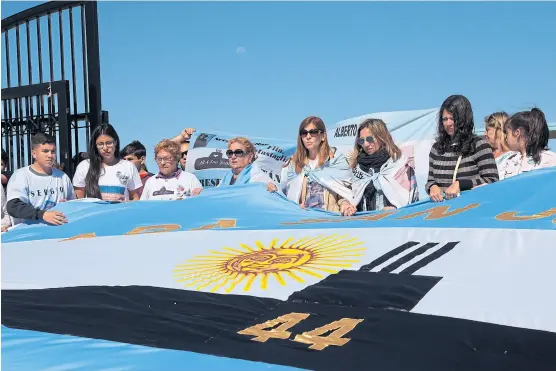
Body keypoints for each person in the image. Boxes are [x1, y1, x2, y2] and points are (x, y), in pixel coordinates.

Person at [426, 95, 499, 202]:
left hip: (470, 209)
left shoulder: (479, 145)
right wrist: (432, 187)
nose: (448, 123)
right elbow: (430, 180)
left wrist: (461, 184)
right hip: (442, 213)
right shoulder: (436, 149)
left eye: (453, 118)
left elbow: (492, 180)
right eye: (445, 119)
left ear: (464, 119)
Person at [281, 116, 354, 216]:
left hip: (330, 222)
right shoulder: (294, 164)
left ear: (323, 136)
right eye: (304, 133)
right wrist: (296, 206)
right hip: (303, 221)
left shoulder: (336, 161)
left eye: (313, 132)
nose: (308, 136)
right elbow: (285, 194)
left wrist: (345, 204)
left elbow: (344, 194)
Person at [348, 119, 419, 212]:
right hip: (364, 224)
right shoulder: (356, 169)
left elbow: (411, 196)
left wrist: (395, 207)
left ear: (381, 137)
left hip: (393, 222)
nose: (365, 144)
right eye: (361, 140)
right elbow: (349, 197)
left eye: (370, 139)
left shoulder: (399, 164)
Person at [6, 133, 74, 226]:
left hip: (58, 232)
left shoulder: (63, 177)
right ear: (34, 154)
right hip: (29, 234)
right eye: (45, 151)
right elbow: (13, 207)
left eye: (53, 151)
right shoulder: (20, 176)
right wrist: (42, 214)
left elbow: (73, 204)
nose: (50, 155)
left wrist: (67, 206)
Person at [73, 124, 143, 202]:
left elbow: (135, 197)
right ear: (95, 146)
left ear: (115, 142)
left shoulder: (128, 166)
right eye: (100, 144)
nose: (105, 148)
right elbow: (78, 199)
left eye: (109, 143)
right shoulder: (84, 166)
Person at [500, 108, 556, 179]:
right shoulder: (511, 161)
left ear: (517, 133)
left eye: (507, 133)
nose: (506, 138)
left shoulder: (550, 160)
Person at [484, 112, 515, 178]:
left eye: (487, 130)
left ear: (498, 130)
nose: (485, 134)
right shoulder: (485, 155)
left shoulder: (513, 157)